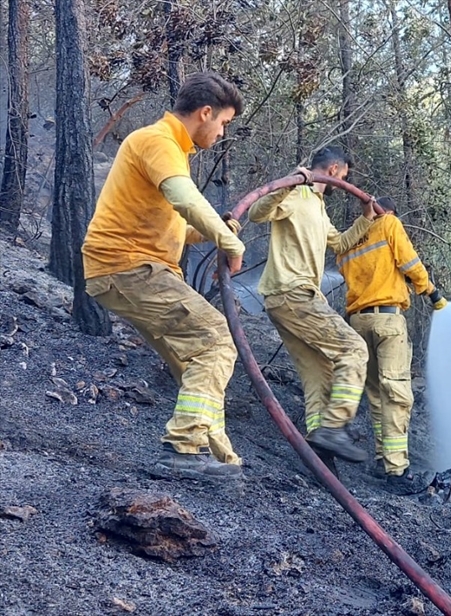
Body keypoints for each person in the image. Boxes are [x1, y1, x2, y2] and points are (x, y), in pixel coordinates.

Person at [83, 72, 247, 481]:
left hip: (131, 267)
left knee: (197, 358)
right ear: (205, 112)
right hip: (128, 266)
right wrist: (229, 241)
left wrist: (213, 229)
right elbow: (185, 199)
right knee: (216, 338)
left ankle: (218, 458)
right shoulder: (159, 141)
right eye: (224, 122)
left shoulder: (169, 149)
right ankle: (184, 449)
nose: (222, 131)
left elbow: (175, 224)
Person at [248, 146, 378, 464]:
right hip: (292, 294)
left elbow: (340, 243)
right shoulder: (296, 194)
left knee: (319, 374)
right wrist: (290, 182)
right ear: (333, 170)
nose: (342, 183)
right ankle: (333, 429)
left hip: (294, 299)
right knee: (354, 349)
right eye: (344, 176)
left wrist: (366, 220)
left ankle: (320, 459)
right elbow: (255, 213)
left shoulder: (319, 207)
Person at [336, 197, 447, 494]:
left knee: (374, 392)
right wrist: (429, 291)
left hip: (358, 323)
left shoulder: (349, 241)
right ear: (388, 212)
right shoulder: (389, 224)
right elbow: (409, 261)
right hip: (387, 320)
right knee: (396, 393)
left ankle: (382, 460)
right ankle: (396, 470)